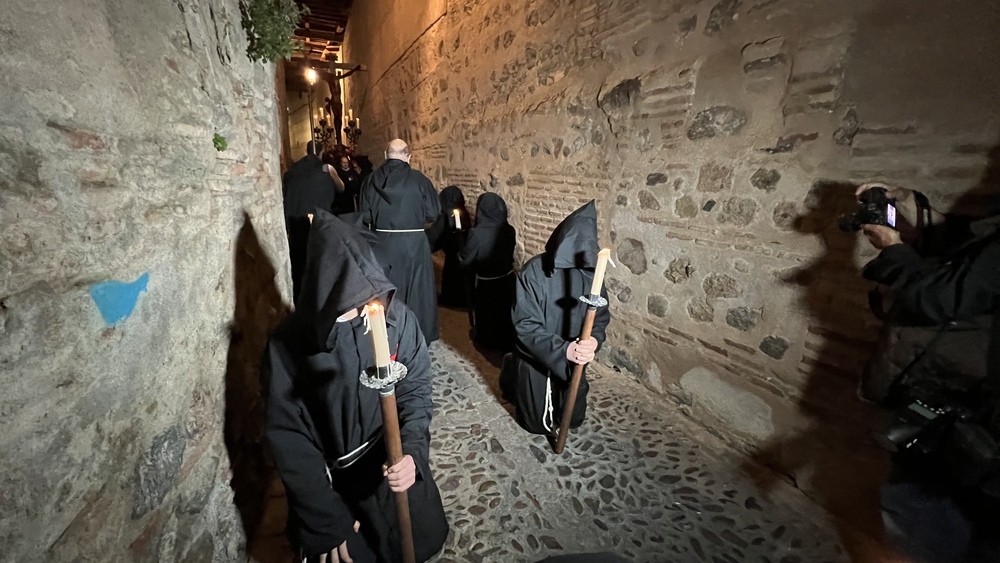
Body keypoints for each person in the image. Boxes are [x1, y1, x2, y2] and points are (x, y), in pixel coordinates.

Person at [262, 210, 448, 563]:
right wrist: (325, 519)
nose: (366, 316)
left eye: (369, 303)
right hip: (339, 481)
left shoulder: (397, 318)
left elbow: (416, 390)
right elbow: (289, 436)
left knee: (422, 538)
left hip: (390, 454)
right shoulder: (287, 346)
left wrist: (412, 453)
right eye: (351, 307)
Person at [856, 182, 1000, 563]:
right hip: (961, 402)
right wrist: (913, 206)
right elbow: (975, 254)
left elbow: (942, 297)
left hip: (972, 415)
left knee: (924, 519)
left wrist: (892, 250)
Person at [500, 200, 611, 434]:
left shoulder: (591, 274)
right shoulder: (534, 271)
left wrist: (593, 341)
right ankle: (512, 372)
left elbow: (599, 318)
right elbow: (525, 324)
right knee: (536, 422)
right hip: (537, 356)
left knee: (571, 416)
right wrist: (563, 350)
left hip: (573, 358)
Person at [359, 139, 441, 343]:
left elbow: (365, 216)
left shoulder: (370, 180)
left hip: (383, 243)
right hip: (414, 243)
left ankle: (388, 335)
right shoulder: (419, 180)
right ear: (408, 156)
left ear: (386, 155)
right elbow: (433, 211)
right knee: (418, 291)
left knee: (388, 290)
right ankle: (418, 336)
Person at [458, 192, 516, 351]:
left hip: (487, 283)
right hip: (508, 280)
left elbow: (467, 260)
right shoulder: (510, 230)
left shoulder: (476, 233)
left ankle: (488, 343)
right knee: (504, 314)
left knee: (489, 316)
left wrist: (461, 255)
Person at [282, 141, 339, 301]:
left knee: (299, 269)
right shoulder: (323, 177)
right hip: (318, 228)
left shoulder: (291, 176)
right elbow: (331, 199)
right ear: (321, 153)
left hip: (296, 228)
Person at [426, 186, 471, 308]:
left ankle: (452, 300)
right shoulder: (464, 212)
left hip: (454, 256)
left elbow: (435, 235)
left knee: (453, 279)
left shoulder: (447, 214)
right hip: (463, 256)